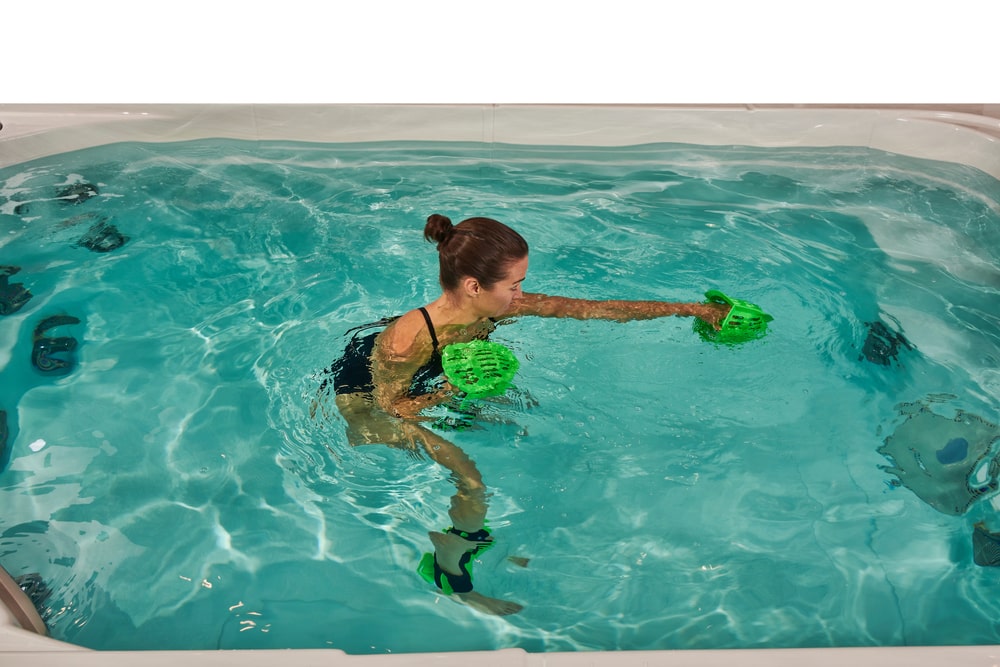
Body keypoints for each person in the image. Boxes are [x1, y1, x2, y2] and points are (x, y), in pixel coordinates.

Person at [315, 213, 730, 616]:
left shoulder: (497, 306)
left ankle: (477, 535)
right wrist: (450, 391)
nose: (520, 295)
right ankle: (451, 568)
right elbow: (394, 408)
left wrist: (694, 310)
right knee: (470, 478)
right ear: (475, 286)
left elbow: (595, 309)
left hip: (430, 373)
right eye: (514, 285)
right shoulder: (408, 339)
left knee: (518, 429)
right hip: (368, 398)